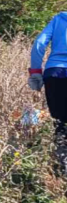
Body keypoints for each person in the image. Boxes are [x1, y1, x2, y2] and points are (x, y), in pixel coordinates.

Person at [30, 11, 67, 170]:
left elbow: (39, 44)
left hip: (54, 73)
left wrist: (35, 72)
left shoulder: (59, 19)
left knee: (59, 120)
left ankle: (62, 165)